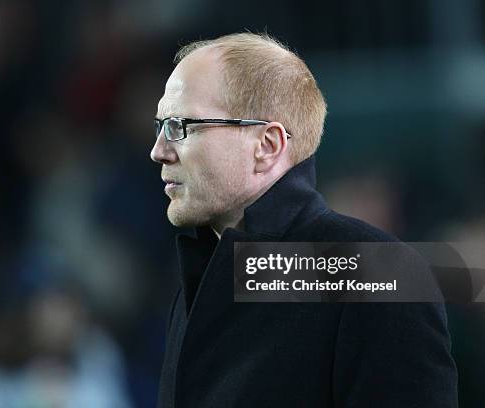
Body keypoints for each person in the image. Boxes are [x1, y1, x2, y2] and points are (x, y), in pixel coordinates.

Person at [150, 32, 457, 407]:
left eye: (181, 126)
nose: (159, 151)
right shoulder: (199, 280)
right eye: (160, 125)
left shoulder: (378, 274)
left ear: (267, 146)